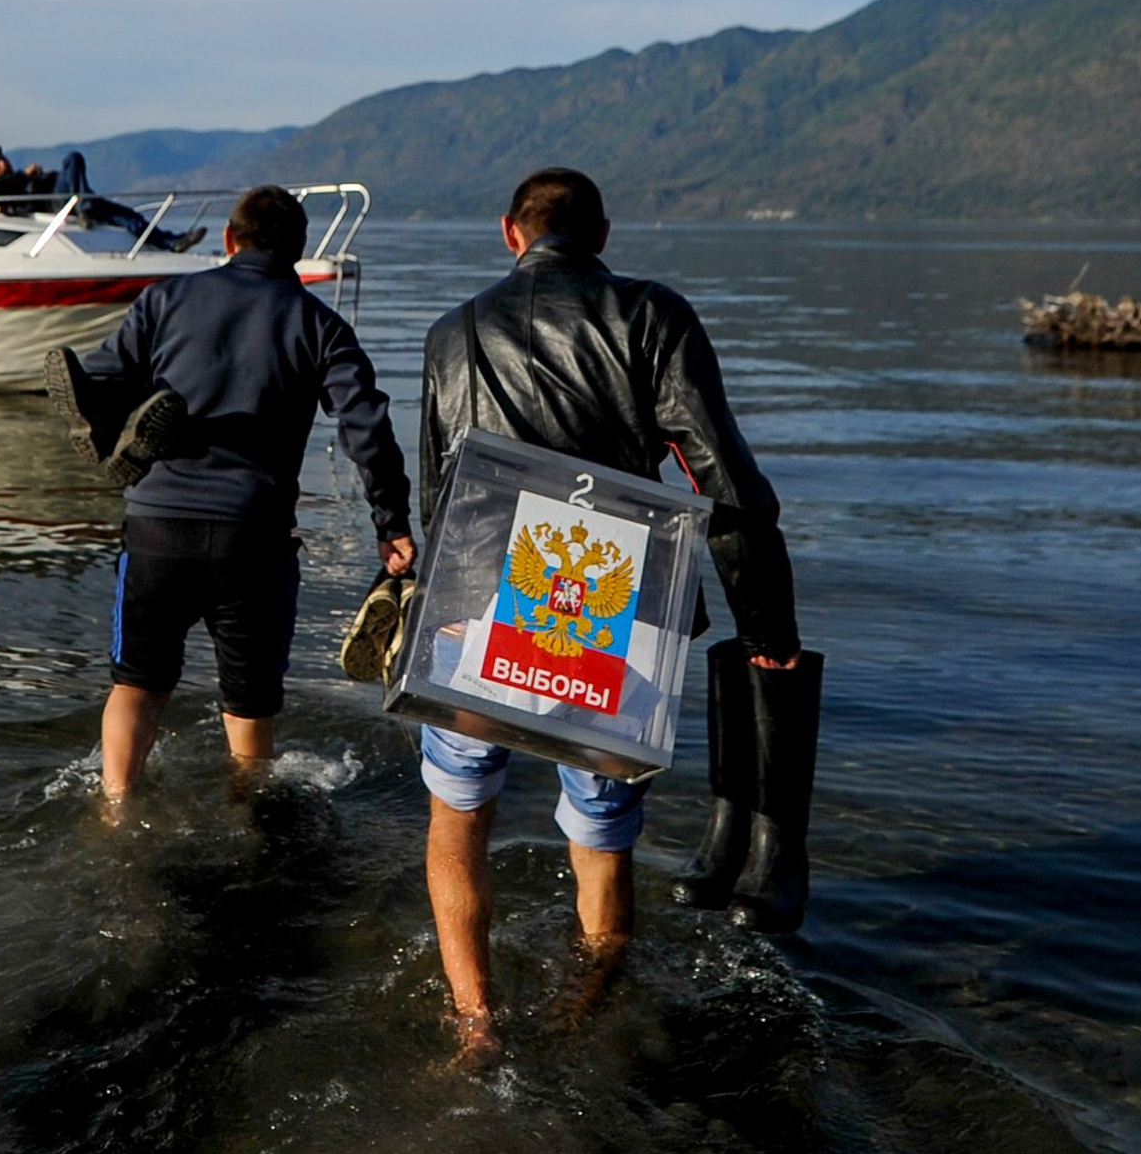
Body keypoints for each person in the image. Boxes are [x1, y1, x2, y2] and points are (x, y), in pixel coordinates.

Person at [418, 166, 808, 1058]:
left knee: (459, 811)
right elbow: (727, 484)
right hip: (608, 598)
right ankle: (587, 1012)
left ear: (509, 234)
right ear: (602, 236)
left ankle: (475, 1023)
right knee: (599, 829)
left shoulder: (452, 332)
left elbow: (439, 484)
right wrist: (767, 634)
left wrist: (418, 605)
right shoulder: (651, 315)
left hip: (477, 600)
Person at [66, 184, 415, 811]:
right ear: (299, 251)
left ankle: (116, 810)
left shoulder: (164, 299)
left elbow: (105, 375)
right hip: (253, 537)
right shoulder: (320, 325)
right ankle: (246, 816)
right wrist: (390, 521)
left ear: (230, 240)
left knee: (138, 687)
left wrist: (107, 411)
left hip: (157, 526)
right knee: (249, 702)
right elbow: (367, 426)